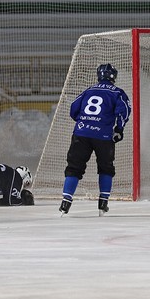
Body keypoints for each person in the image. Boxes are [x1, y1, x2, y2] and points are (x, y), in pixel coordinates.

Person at [60, 63, 131, 216]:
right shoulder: (118, 92)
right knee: (106, 168)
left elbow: (73, 109)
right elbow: (123, 112)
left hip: (81, 133)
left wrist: (85, 123)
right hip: (103, 135)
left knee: (74, 167)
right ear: (113, 77)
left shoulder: (88, 90)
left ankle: (65, 203)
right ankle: (103, 204)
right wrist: (119, 129)